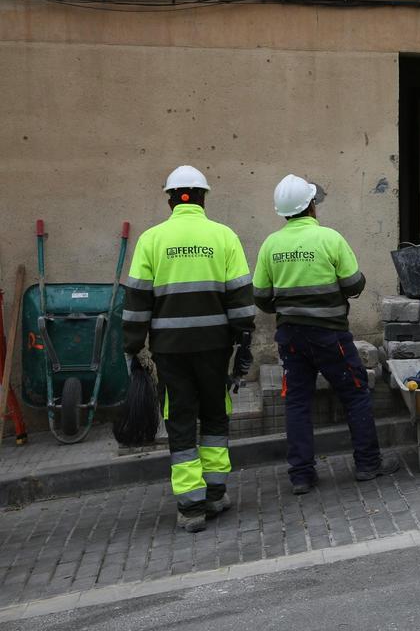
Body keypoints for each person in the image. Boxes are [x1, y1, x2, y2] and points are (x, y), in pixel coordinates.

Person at [122, 165, 255, 533]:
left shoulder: (151, 239)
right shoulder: (223, 236)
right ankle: (215, 493)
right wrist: (244, 341)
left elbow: (136, 303)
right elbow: (242, 301)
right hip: (215, 347)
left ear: (170, 199)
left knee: (180, 419)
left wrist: (133, 347)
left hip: (170, 350)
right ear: (203, 197)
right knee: (215, 414)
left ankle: (190, 506)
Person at [253, 175, 400, 495]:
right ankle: (367, 463)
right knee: (356, 392)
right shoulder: (330, 239)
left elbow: (262, 298)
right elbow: (354, 285)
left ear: (283, 212)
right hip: (329, 335)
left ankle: (302, 475)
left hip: (290, 337)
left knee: (297, 402)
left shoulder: (270, 245)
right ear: (310, 206)